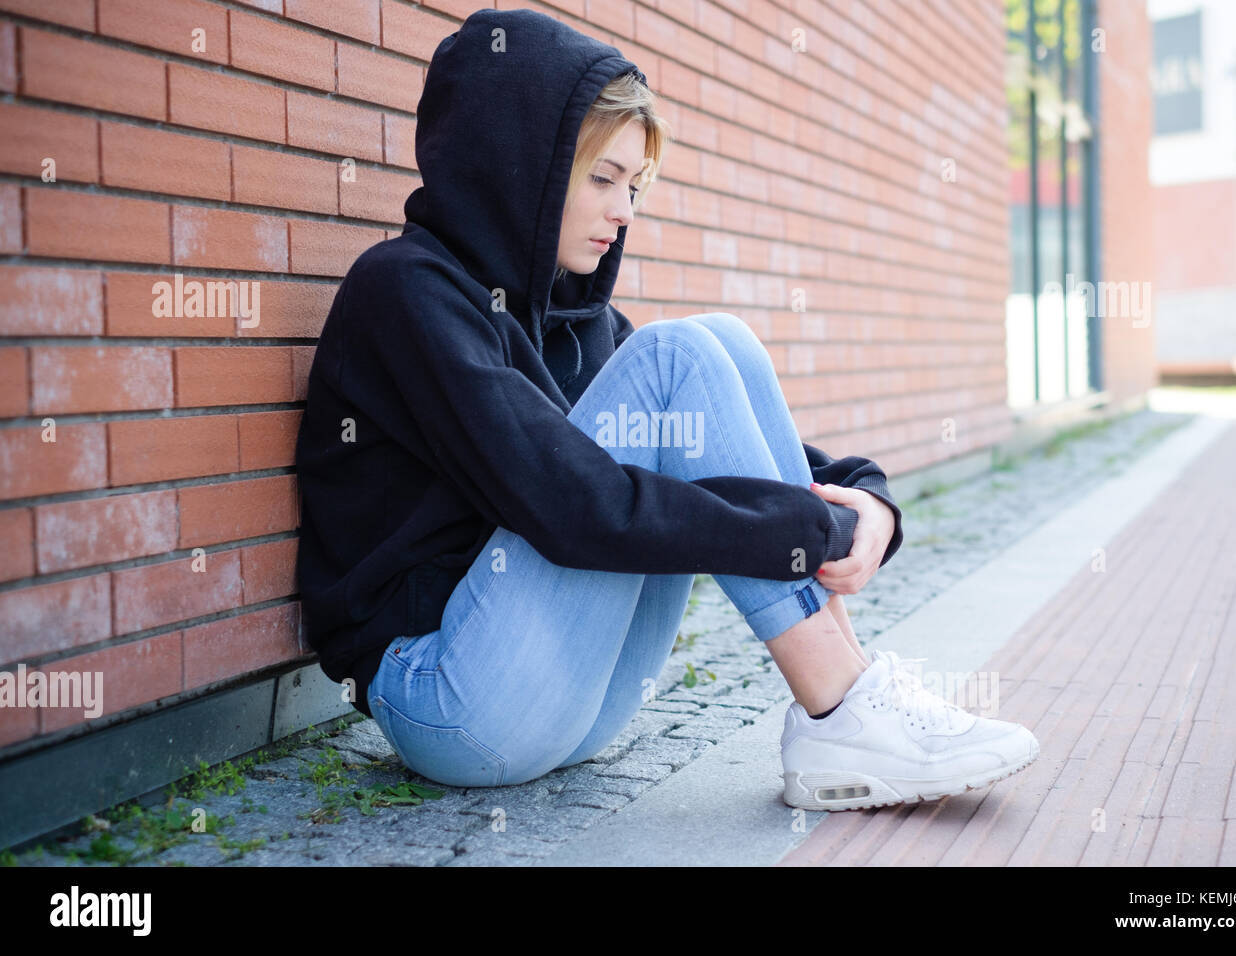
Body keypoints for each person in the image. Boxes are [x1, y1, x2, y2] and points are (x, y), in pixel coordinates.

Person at [294, 8, 1038, 812]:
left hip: (578, 700)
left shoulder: (586, 328)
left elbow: (725, 446)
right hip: (446, 699)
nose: (624, 212)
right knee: (679, 354)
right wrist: (795, 531)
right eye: (602, 179)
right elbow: (576, 506)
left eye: (636, 187)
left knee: (719, 341)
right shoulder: (405, 293)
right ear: (521, 167)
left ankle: (847, 701)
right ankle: (840, 707)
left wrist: (864, 496)